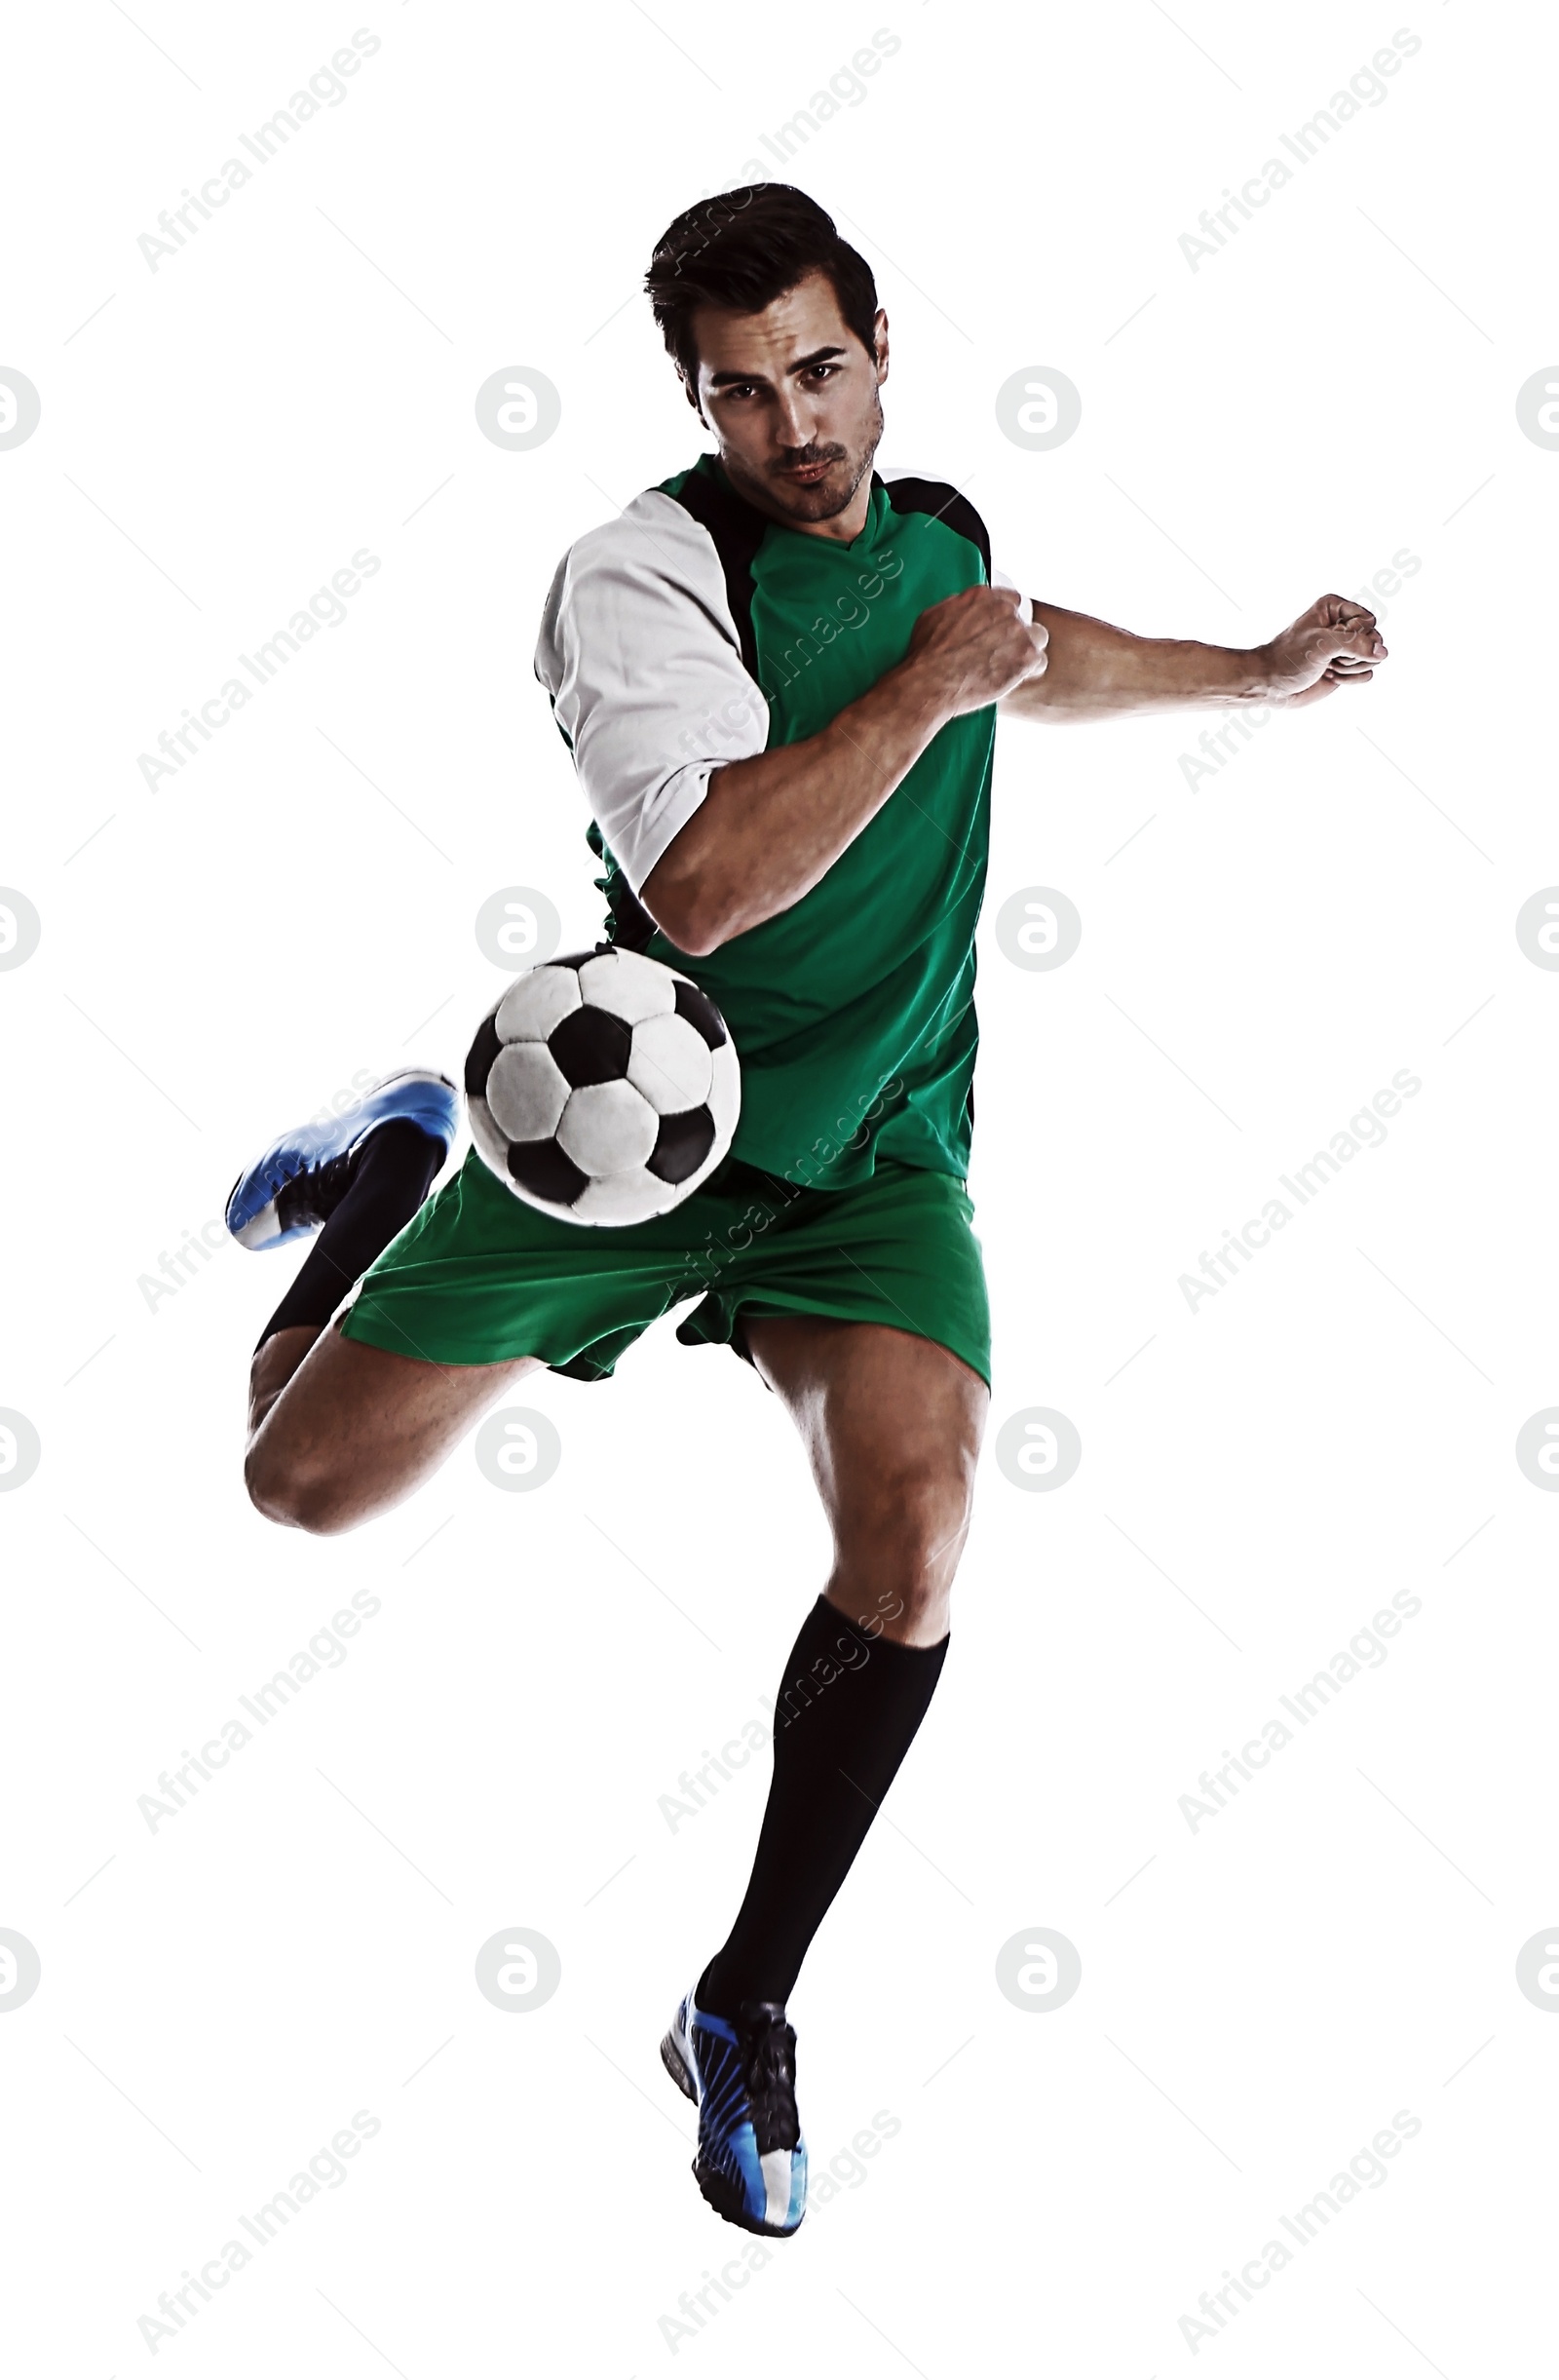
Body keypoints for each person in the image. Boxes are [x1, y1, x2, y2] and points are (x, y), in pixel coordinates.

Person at [232, 183, 1388, 2237]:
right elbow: (695, 890)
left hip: (866, 1164)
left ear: (879, 346)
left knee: (920, 1532)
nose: (796, 425)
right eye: (743, 392)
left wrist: (1242, 669)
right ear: (695, 402)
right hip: (630, 1134)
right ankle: (403, 1155)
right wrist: (917, 696)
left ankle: (740, 2002)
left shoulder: (935, 538)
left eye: (822, 369)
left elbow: (1025, 657)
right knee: (295, 1485)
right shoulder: (638, 577)